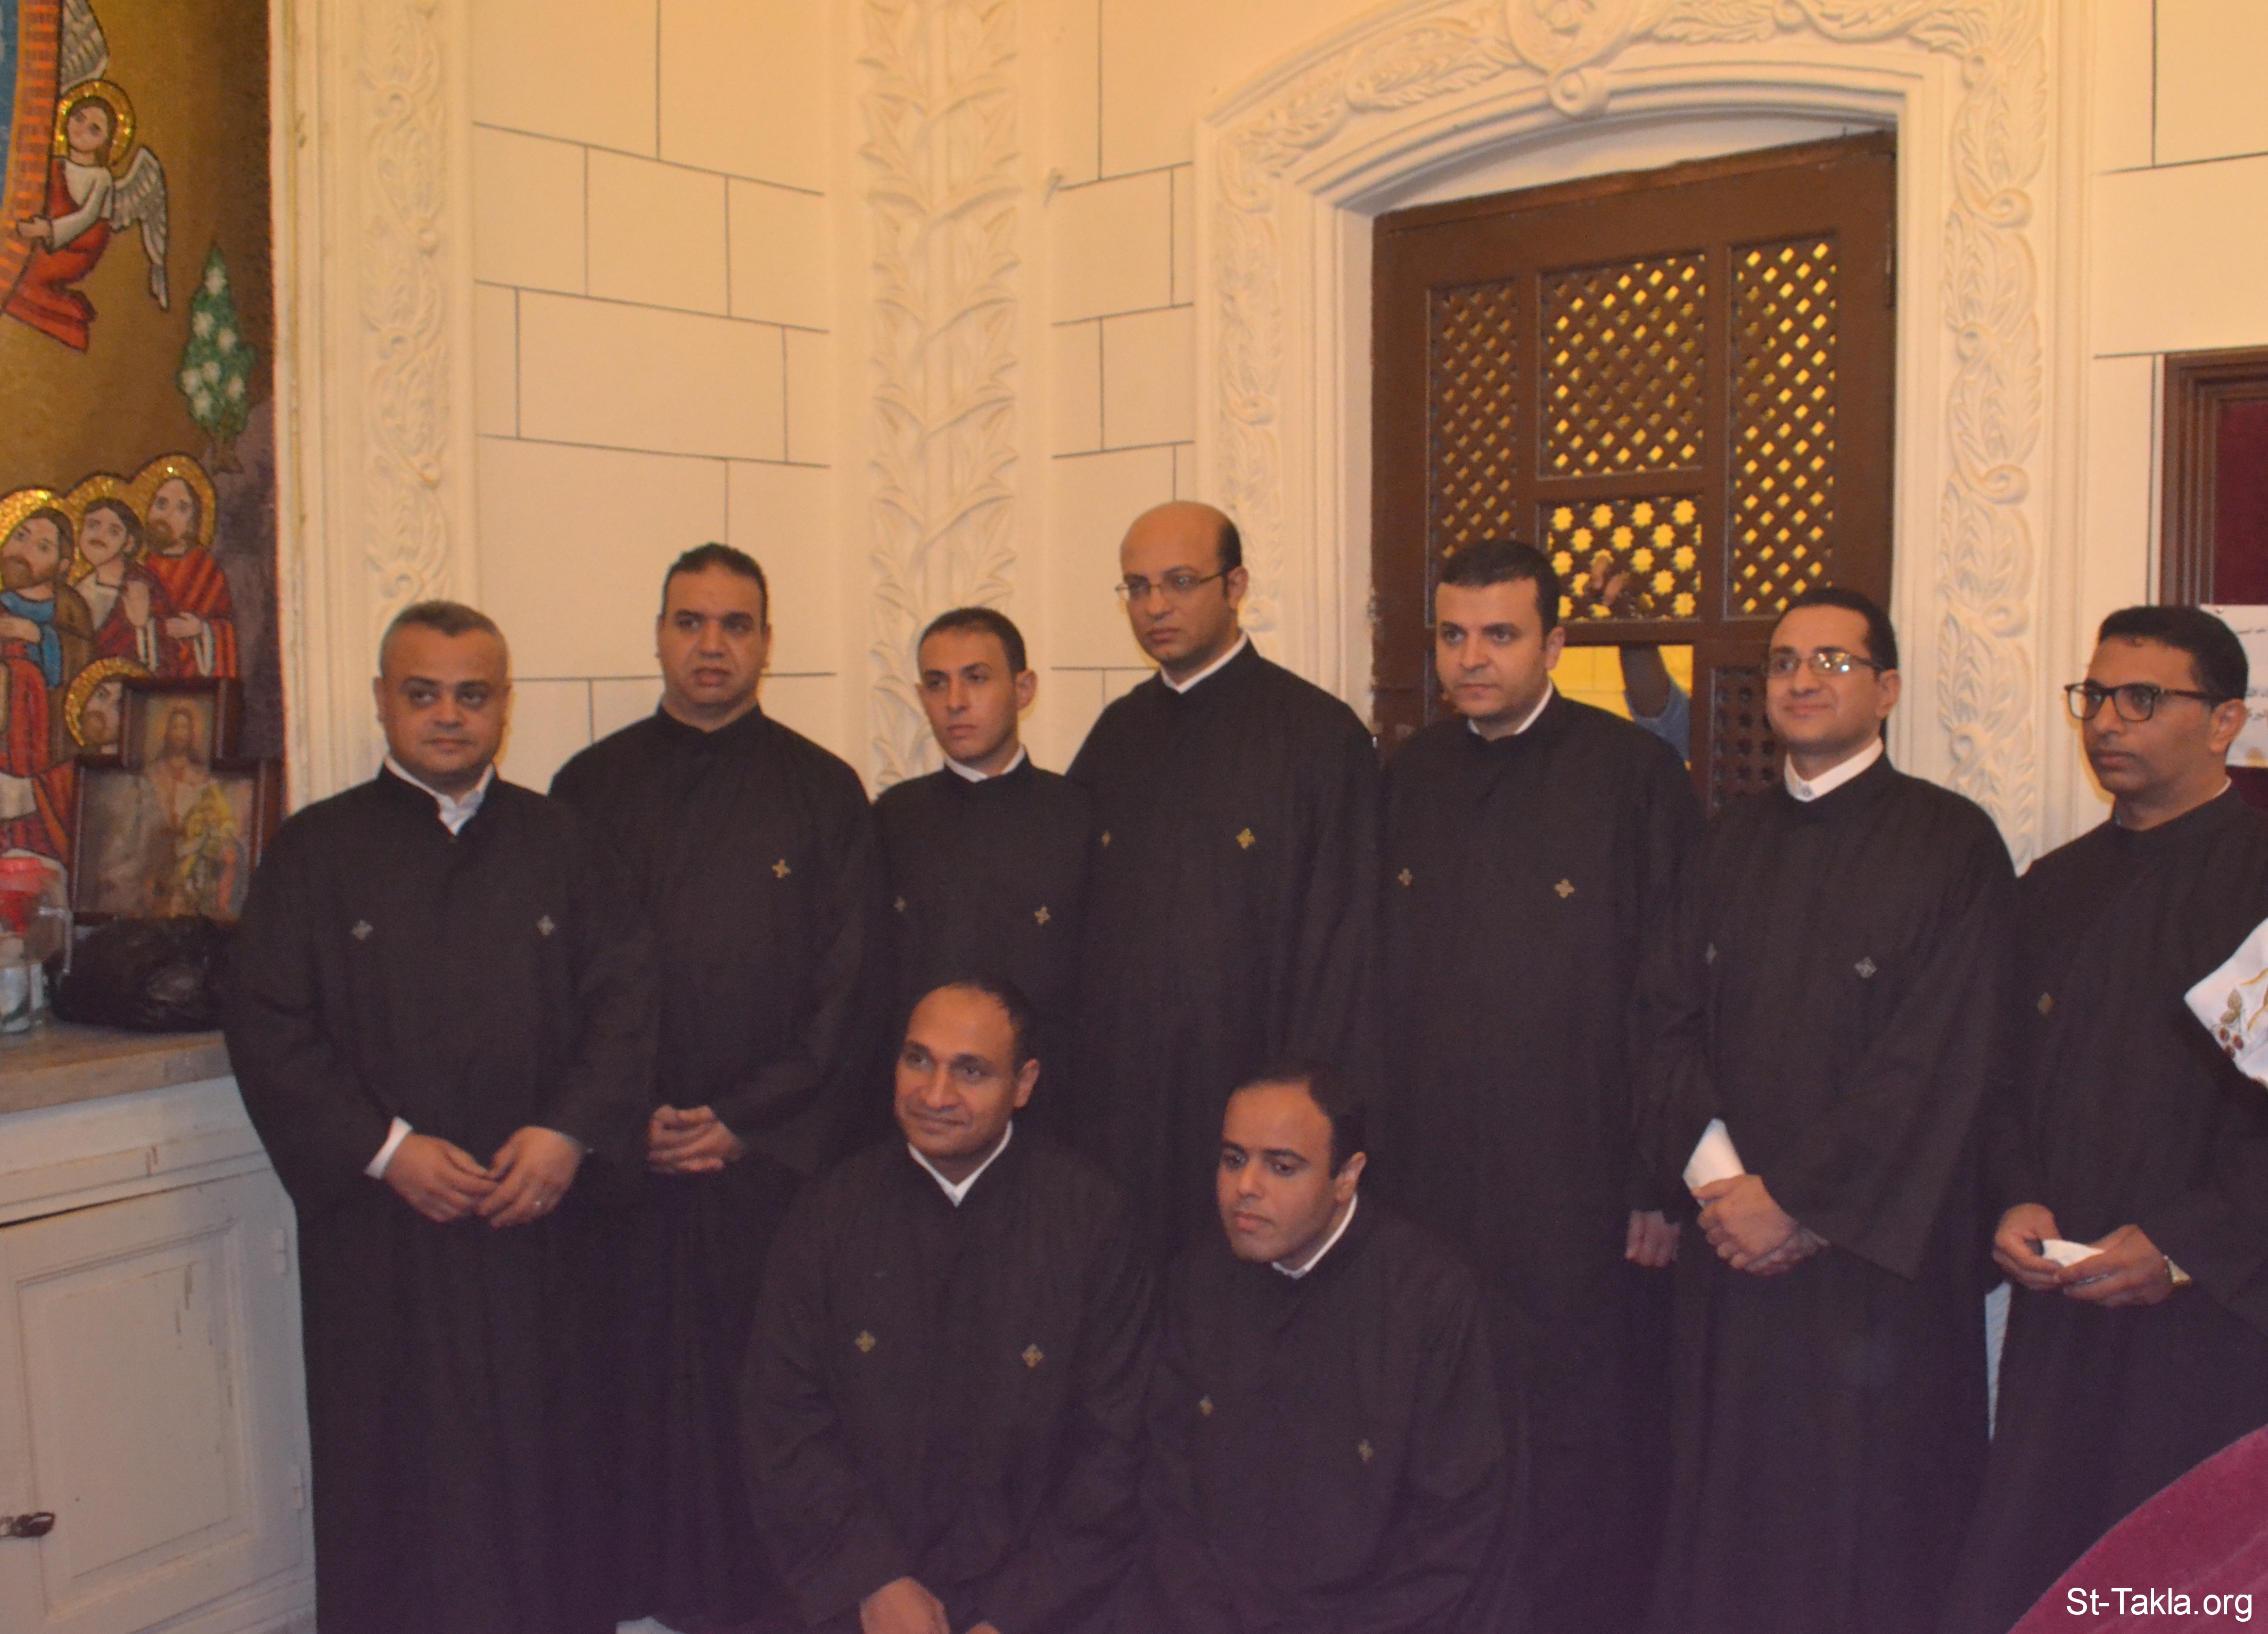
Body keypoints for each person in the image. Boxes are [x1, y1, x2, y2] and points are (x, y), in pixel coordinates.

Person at [223, 600, 655, 1634]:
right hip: (384, 1241)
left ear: (505, 704)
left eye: (472, 695)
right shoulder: (315, 850)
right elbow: (268, 1020)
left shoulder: (566, 842)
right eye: (424, 694)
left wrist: (568, 1134)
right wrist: (385, 1151)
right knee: (395, 1478)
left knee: (552, 1470)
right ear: (384, 700)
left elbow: (628, 1000)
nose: (449, 716)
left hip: (541, 1226)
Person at [1635, 586, 2015, 1634]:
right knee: (1729, 1520)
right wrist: (1724, 1189)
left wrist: (1797, 1202)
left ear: (1887, 689)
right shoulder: (1724, 838)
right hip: (1731, 1253)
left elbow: (1942, 1057)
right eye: (1785, 662)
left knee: (1874, 1533)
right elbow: (1662, 1017)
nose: (1803, 680)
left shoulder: (1952, 843)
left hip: (1874, 1266)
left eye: (1833, 661)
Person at [548, 541, 888, 1632]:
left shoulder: (823, 791)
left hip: (767, 1172)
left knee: (771, 1398)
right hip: (625, 1169)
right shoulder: (587, 788)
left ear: (766, 643)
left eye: (735, 624)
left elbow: (849, 992)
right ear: (659, 634)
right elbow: (559, 979)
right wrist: (614, 1117)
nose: (712, 645)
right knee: (625, 1396)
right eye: (690, 621)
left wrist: (744, 1123)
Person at [1379, 539, 1699, 1634]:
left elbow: (1671, 990)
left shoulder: (1632, 776)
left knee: (1579, 1445)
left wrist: (1657, 1178)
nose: (1472, 658)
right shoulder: (1410, 776)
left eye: (1501, 635)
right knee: (1443, 1425)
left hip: (1583, 1186)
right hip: (1433, 1180)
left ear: (1555, 644)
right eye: (1454, 635)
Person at [1941, 606, 2268, 1634]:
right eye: (2095, 697)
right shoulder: (2053, 886)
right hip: (2064, 1314)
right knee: (2046, 1572)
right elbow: (1996, 1080)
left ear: (2226, 722)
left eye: (2143, 699)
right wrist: (2014, 1197)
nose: (2107, 721)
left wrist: (2180, 1247)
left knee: (2186, 1587)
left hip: (2217, 1320)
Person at [742, 978, 1153, 1634]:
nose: (935, 1095)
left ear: (1024, 1084)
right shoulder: (829, 1213)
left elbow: (1114, 1451)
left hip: (1048, 1606)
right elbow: (783, 1418)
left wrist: (1010, 1617)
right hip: (858, 1598)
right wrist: (873, 1580)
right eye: (918, 1060)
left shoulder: (1093, 1222)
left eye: (971, 1071)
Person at [1069, 500, 1379, 1255]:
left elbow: (1342, 945)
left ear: (1235, 586)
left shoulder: (1317, 735)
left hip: (1253, 1098)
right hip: (1122, 1093)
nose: (1155, 606)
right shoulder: (1117, 733)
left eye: (1180, 581)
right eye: (1137, 587)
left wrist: (1302, 1117)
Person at [1144, 1064, 1511, 1633]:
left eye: (1282, 1166)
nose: (1246, 1187)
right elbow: (1167, 1494)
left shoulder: (1431, 1298)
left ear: (1347, 1177)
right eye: (1233, 1159)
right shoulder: (1196, 1281)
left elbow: (1453, 1530)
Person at [874, 606, 1090, 1132]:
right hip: (916, 1114)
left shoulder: (1080, 815)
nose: (955, 701)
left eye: (976, 678)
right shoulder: (890, 818)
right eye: (936, 683)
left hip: (1053, 1111)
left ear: (1023, 689)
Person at [137, 467, 239, 680]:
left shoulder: (206, 571)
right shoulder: (140, 570)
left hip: (197, 683)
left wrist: (201, 630)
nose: (167, 515)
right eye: (161, 504)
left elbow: (225, 630)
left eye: (182, 509)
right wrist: (150, 628)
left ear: (193, 524)